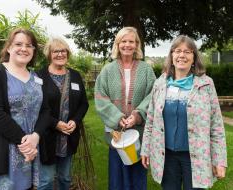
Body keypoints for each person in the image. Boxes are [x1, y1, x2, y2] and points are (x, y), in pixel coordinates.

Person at [141, 35, 227, 190]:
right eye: (178, 51)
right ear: (172, 56)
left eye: (187, 52)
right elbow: (151, 120)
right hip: (166, 157)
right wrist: (145, 149)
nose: (182, 55)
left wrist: (219, 160)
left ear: (194, 57)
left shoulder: (206, 84)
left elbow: (217, 126)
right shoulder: (160, 83)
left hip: (196, 158)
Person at [0, 28, 50, 189]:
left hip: (28, 153)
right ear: (9, 48)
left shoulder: (37, 79)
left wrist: (36, 137)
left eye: (29, 45)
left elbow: (46, 111)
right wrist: (25, 143)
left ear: (33, 51)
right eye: (18, 44)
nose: (24, 48)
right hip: (2, 151)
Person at [94, 26, 156, 190]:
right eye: (124, 41)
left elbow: (154, 96)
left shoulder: (146, 69)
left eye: (131, 41)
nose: (127, 45)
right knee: (117, 177)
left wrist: (137, 115)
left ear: (137, 45)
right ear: (117, 44)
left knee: (137, 176)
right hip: (117, 134)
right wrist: (116, 117)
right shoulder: (108, 70)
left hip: (139, 134)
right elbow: (100, 97)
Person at [37, 37, 89, 190]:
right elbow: (36, 108)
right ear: (49, 54)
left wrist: (76, 120)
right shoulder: (39, 77)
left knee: (65, 178)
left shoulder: (75, 76)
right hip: (46, 137)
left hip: (68, 137)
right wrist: (55, 124)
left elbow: (84, 103)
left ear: (67, 53)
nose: (60, 54)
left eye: (63, 51)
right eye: (56, 51)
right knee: (45, 181)